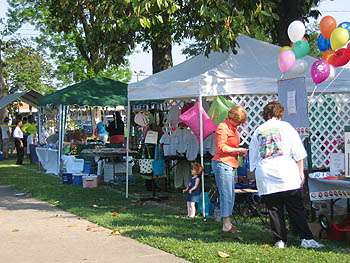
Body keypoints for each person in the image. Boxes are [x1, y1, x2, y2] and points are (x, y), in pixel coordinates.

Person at [249, 101, 323, 249]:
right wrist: (301, 172)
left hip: (267, 173)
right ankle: (306, 238)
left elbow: (254, 157)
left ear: (266, 114)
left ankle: (280, 240)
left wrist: (255, 174)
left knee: (274, 209)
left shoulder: (258, 130)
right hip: (286, 172)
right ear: (280, 113)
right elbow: (298, 151)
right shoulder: (287, 127)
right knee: (296, 208)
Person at [211, 105, 248, 233]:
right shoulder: (222, 127)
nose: (239, 124)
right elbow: (221, 148)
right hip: (222, 163)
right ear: (232, 118)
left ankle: (227, 222)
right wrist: (238, 150)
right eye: (238, 122)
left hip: (231, 163)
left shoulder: (232, 127)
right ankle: (226, 224)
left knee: (230, 194)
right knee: (226, 194)